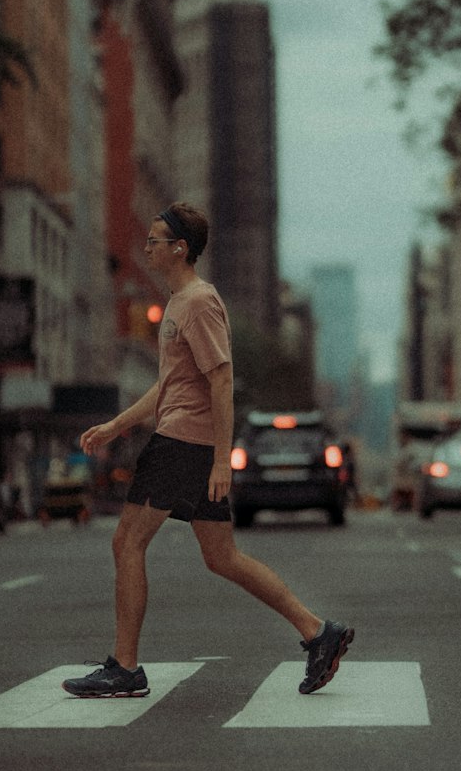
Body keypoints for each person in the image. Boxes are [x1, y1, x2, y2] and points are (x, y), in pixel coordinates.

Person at [62, 203, 354, 700]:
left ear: (180, 249)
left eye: (156, 240)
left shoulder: (199, 302)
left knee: (127, 543)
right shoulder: (177, 303)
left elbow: (222, 380)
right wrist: (116, 424)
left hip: (183, 444)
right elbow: (170, 384)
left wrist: (222, 458)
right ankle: (317, 632)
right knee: (221, 556)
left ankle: (125, 667)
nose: (148, 247)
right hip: (185, 439)